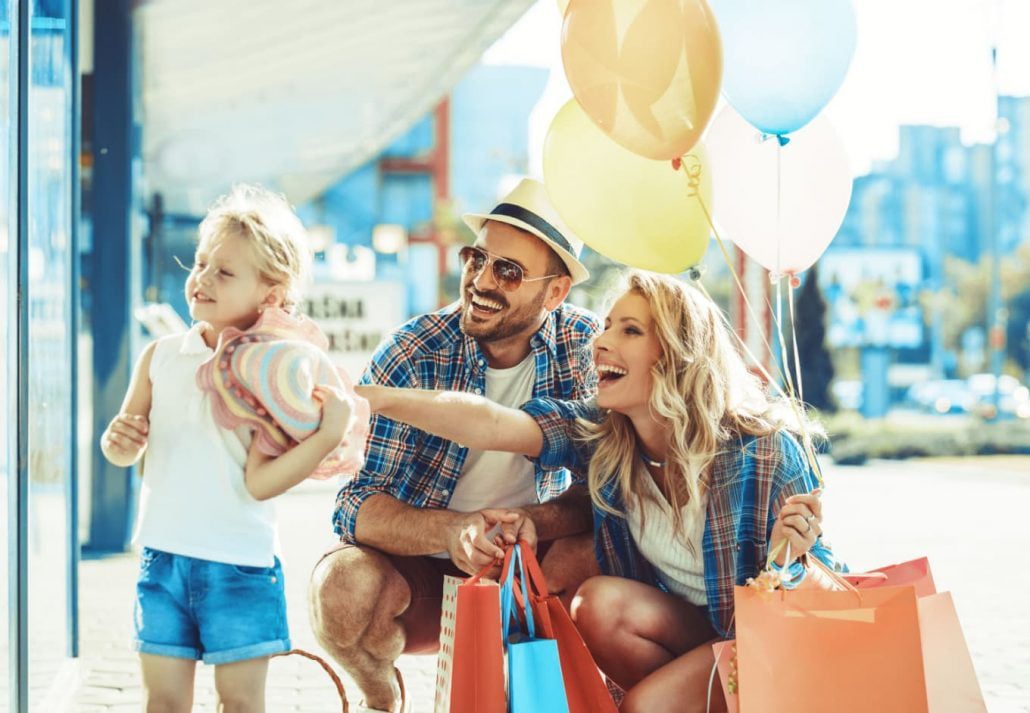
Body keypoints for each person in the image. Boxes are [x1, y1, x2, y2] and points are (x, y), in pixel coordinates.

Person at [356, 271, 842, 713]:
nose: (601, 341)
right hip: (698, 632)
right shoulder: (607, 436)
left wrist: (792, 557)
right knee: (598, 604)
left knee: (644, 707)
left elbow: (823, 588)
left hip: (770, 644)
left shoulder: (763, 450)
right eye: (606, 326)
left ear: (676, 354)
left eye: (629, 330)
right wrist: (366, 398)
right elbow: (489, 422)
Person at [308, 178, 601, 713]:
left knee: (599, 559)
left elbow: (606, 493)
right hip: (422, 571)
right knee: (341, 587)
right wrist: (453, 531)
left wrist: (533, 522)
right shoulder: (413, 350)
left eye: (507, 271)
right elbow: (356, 505)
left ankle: (552, 696)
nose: (480, 281)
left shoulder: (589, 350)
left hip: (533, 567)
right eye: (476, 259)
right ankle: (379, 695)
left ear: (555, 292)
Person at [100, 185, 358, 713]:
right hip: (162, 559)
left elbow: (261, 481)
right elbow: (126, 448)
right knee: (164, 703)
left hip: (238, 565)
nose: (202, 278)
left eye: (225, 272)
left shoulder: (277, 373)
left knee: (240, 704)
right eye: (201, 263)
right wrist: (117, 443)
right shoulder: (160, 355)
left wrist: (331, 435)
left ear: (271, 292)